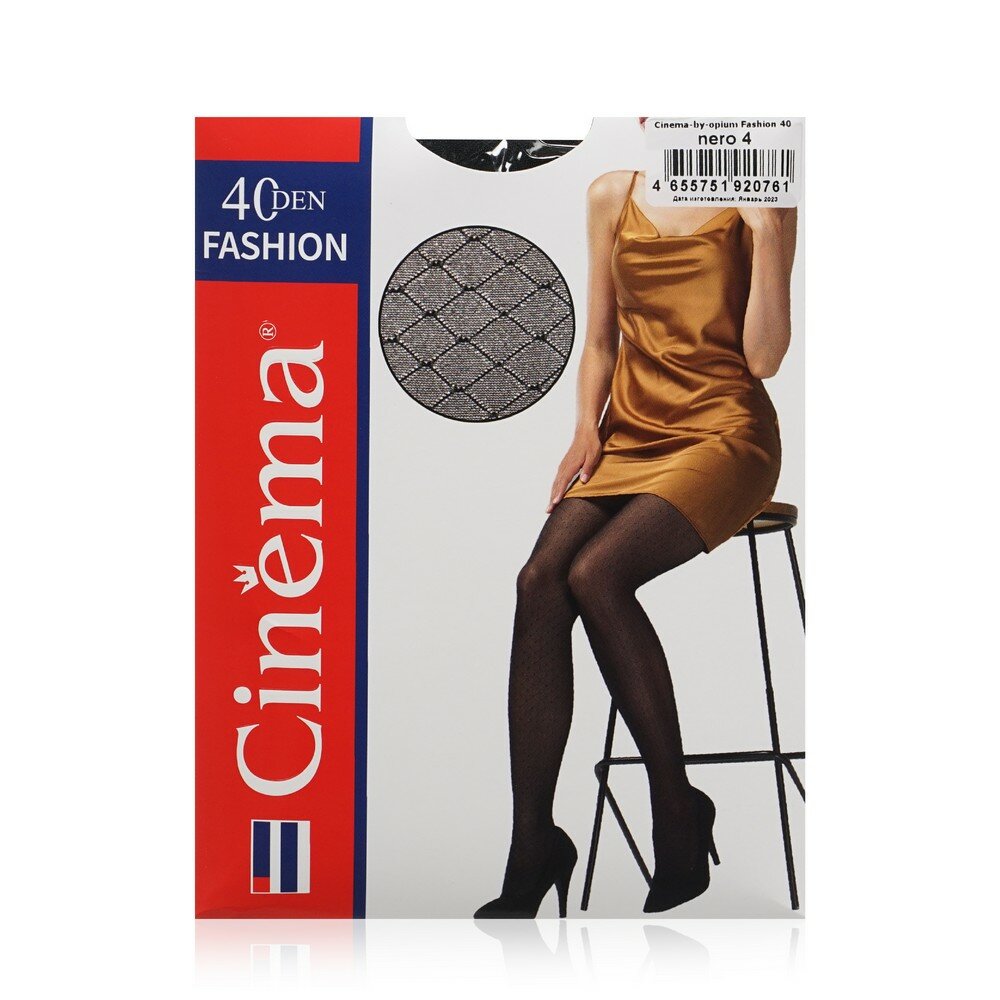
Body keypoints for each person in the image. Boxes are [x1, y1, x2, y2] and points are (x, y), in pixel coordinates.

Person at [474, 167, 797, 917]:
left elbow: (765, 359)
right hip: (630, 430)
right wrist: (584, 432)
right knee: (539, 582)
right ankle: (533, 840)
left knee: (597, 574)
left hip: (725, 434)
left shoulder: (764, 195)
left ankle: (674, 809)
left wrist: (768, 229)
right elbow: (600, 338)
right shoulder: (612, 194)